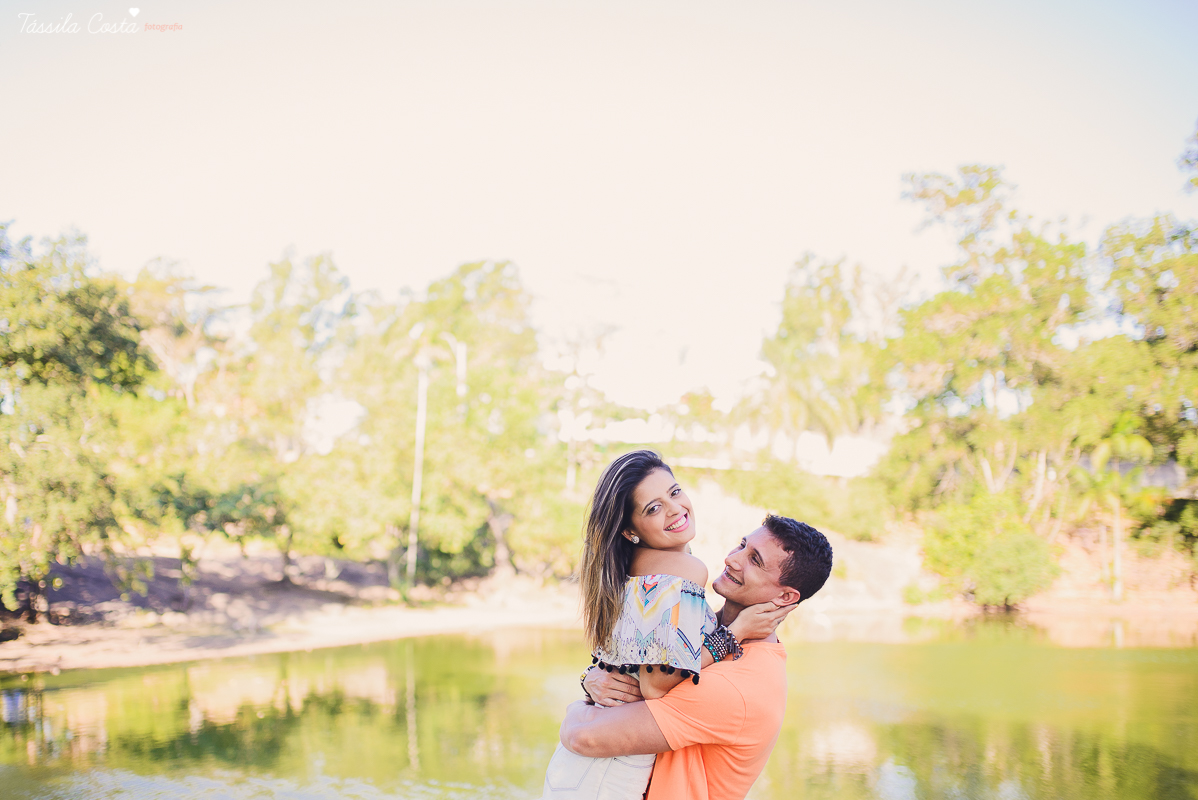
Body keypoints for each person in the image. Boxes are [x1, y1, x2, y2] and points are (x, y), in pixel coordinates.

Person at [540, 450, 792, 800]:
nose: (674, 509)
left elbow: (626, 659)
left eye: (674, 492)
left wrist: (589, 680)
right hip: (610, 769)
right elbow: (656, 685)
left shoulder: (634, 565)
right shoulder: (684, 570)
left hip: (587, 765)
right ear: (630, 529)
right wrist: (732, 635)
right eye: (653, 508)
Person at [560, 514, 834, 800]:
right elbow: (631, 672)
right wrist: (591, 679)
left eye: (755, 560)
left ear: (786, 598)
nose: (733, 559)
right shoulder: (702, 629)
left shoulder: (737, 686)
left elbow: (585, 736)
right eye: (742, 545)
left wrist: (573, 712)